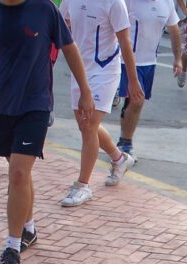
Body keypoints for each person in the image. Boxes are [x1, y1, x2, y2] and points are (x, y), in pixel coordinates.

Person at [0, 0, 95, 264]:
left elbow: (70, 48)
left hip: (35, 104)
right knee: (18, 172)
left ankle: (12, 247)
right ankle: (28, 228)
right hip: (0, 105)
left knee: (18, 172)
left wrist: (85, 90)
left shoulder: (44, 9)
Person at [59, 0, 143, 207]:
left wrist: (132, 80)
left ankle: (82, 186)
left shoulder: (114, 3)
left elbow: (125, 41)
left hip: (104, 69)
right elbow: (60, 25)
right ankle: (119, 159)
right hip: (79, 69)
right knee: (86, 125)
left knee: (88, 125)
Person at [114, 0, 182, 160]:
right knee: (137, 100)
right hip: (127, 60)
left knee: (135, 103)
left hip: (149, 62)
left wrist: (178, 58)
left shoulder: (166, 3)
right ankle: (124, 143)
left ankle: (126, 141)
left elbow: (174, 31)